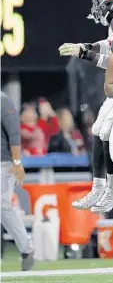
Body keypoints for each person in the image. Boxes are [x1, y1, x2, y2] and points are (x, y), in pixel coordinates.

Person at [58, 0, 113, 213]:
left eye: (101, 2)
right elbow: (110, 47)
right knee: (100, 131)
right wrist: (85, 47)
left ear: (112, 1)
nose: (98, 7)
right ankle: (104, 187)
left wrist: (85, 53)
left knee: (110, 135)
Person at [1, 92, 34, 271]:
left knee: (3, 205)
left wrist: (16, 162)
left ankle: (26, 248)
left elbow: (14, 133)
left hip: (3, 162)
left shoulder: (3, 101)